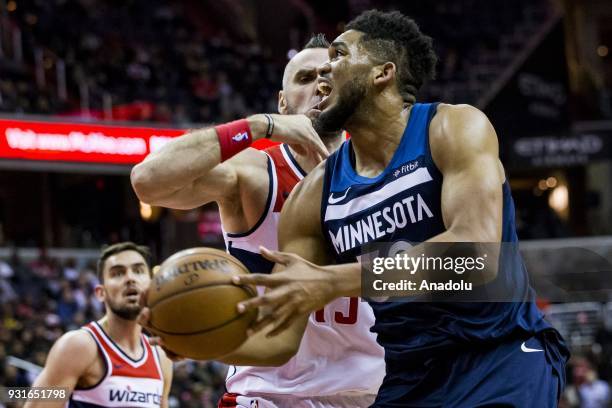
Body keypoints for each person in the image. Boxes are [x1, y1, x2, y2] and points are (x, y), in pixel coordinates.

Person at [233, 9, 570, 407]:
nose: (324, 73)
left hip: (500, 354)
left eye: (338, 56)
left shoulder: (452, 127)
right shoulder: (313, 196)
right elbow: (281, 342)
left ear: (382, 73)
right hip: (408, 375)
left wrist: (336, 281)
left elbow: (477, 257)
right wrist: (189, 333)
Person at [131, 35, 385, 408]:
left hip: (373, 392)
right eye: (305, 78)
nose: (320, 84)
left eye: (330, 75)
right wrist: (257, 126)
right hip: (268, 395)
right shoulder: (257, 172)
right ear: (283, 103)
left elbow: (477, 272)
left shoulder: (391, 174)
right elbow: (147, 180)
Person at [25, 242, 173, 408]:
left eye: (138, 271)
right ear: (101, 293)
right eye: (117, 273)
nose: (130, 278)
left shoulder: (161, 357)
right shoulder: (77, 346)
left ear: (151, 286)